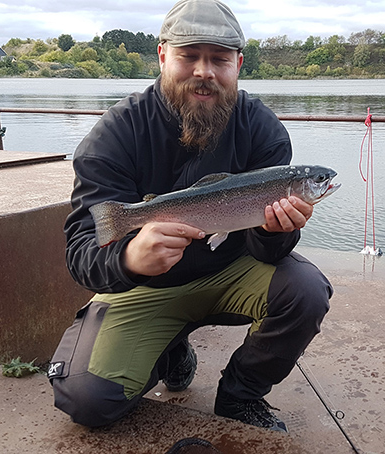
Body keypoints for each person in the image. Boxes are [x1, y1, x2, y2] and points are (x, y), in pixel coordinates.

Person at [48, 0, 333, 433]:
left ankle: (240, 397)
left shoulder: (263, 129)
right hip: (145, 285)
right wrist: (128, 259)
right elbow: (82, 256)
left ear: (238, 64)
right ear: (163, 56)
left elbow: (269, 254)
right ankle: (170, 350)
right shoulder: (115, 133)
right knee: (87, 401)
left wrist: (277, 232)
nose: (205, 71)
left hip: (230, 271)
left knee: (307, 291)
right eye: (189, 56)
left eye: (219, 59)